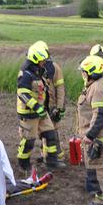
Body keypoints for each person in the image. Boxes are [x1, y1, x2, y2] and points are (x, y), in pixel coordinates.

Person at [15, 42, 64, 173]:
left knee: (50, 133)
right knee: (29, 140)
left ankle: (51, 161)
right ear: (36, 59)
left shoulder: (39, 71)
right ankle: (23, 164)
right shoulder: (26, 74)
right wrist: (37, 107)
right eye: (43, 59)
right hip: (29, 113)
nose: (45, 62)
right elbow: (23, 94)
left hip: (41, 111)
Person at [76, 55, 103, 205]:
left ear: (91, 73)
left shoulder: (97, 87)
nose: (83, 74)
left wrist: (89, 136)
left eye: (84, 72)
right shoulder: (100, 83)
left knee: (100, 166)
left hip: (98, 137)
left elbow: (100, 114)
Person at [34, 41, 67, 162]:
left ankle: (57, 155)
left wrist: (59, 107)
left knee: (53, 131)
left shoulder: (55, 68)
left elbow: (60, 89)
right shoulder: (36, 68)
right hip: (42, 105)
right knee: (42, 131)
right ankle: (45, 154)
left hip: (51, 106)